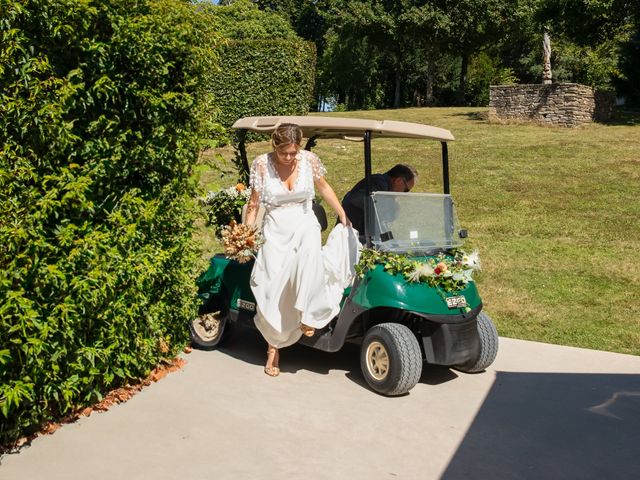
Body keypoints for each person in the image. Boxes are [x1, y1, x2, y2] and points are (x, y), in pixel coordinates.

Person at [244, 124, 359, 377]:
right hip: (276, 228)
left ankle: (309, 314)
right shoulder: (261, 165)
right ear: (275, 147)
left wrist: (342, 213)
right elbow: (253, 204)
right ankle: (273, 348)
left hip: (304, 220)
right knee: (276, 287)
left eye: (293, 153)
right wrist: (246, 234)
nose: (289, 158)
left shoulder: (309, 160)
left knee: (309, 255)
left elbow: (324, 187)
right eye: (284, 153)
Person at [341, 164, 418, 237]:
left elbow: (381, 222)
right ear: (398, 181)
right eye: (406, 190)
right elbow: (356, 199)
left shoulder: (384, 186)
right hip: (353, 235)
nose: (403, 193)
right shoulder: (379, 184)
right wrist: (389, 206)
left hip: (359, 234)